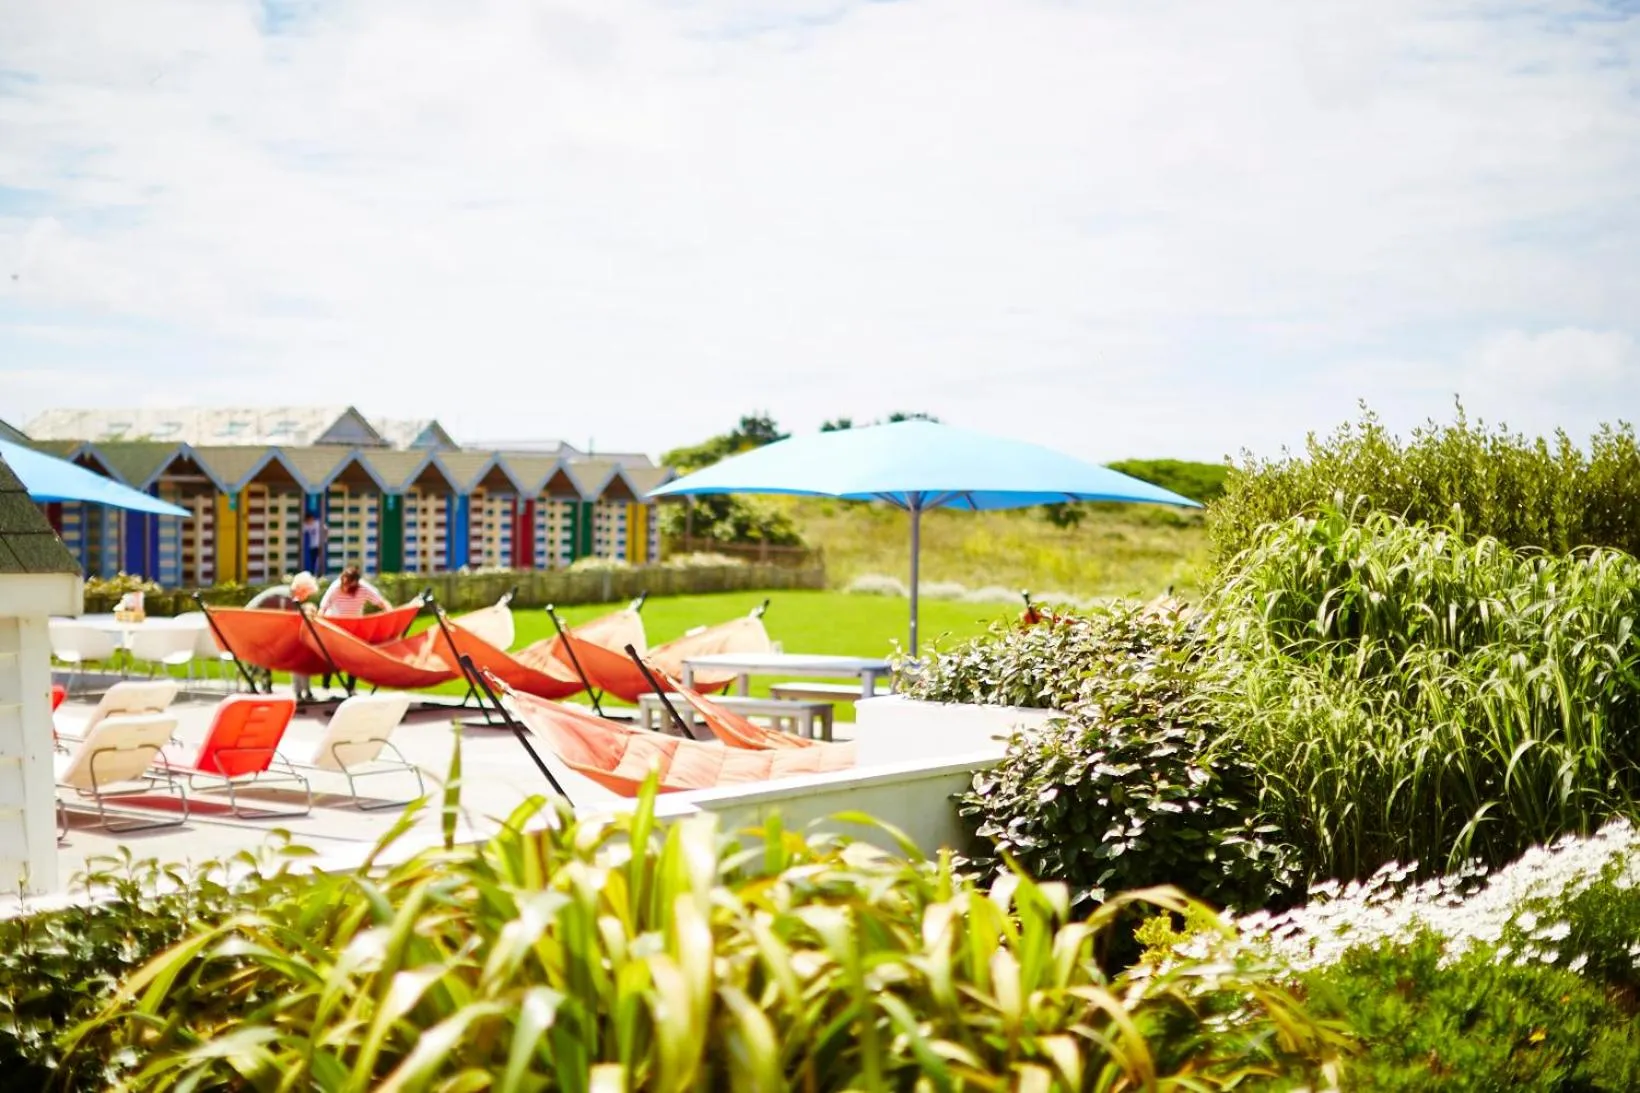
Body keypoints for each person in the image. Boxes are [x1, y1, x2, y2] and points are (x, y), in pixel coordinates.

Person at [247, 571, 320, 702]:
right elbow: (286, 621)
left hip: (256, 625)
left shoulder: (287, 595)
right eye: (307, 594)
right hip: (252, 625)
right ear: (302, 590)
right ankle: (264, 684)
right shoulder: (286, 598)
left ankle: (267, 684)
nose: (306, 598)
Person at [318, 565, 390, 692]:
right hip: (335, 626)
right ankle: (325, 686)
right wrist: (318, 622)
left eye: (349, 585)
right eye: (343, 583)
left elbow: (381, 602)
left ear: (356, 583)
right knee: (330, 656)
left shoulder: (364, 588)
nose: (345, 588)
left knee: (353, 657)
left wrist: (391, 614)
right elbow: (323, 608)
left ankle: (351, 688)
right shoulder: (335, 587)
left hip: (353, 627)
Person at [301, 511, 327, 576]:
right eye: (307, 520)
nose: (308, 521)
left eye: (309, 519)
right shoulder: (307, 525)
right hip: (312, 546)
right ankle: (313, 574)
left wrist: (325, 539)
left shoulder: (318, 523)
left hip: (319, 545)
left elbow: (326, 529)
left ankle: (320, 574)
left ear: (312, 518)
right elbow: (302, 530)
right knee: (313, 561)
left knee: (319, 560)